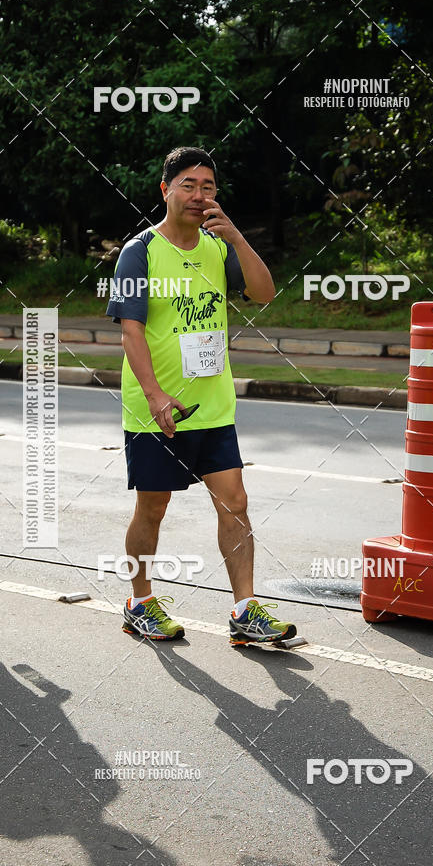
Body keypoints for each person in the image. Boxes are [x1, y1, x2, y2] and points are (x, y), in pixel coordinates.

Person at [106, 146, 296, 645]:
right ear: (164, 190)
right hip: (158, 408)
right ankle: (139, 601)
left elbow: (264, 293)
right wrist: (154, 394)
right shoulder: (140, 251)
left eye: (208, 186)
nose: (198, 194)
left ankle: (245, 610)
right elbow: (131, 332)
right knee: (153, 507)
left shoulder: (217, 247)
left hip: (212, 406)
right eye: (188, 184)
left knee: (235, 500)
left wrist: (236, 237)